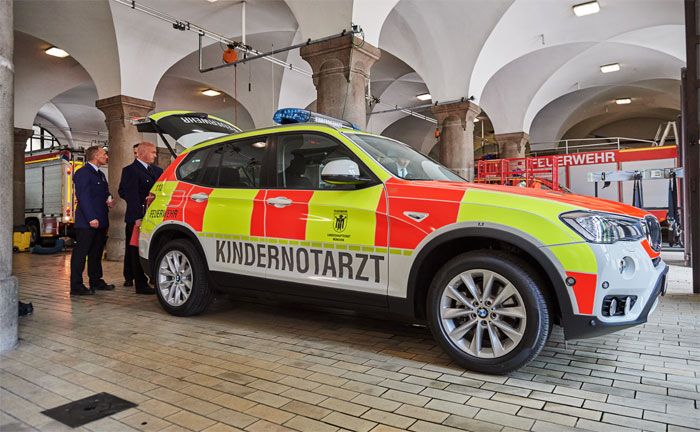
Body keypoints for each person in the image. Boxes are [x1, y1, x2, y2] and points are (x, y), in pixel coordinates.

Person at [118, 142, 163, 295]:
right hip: (138, 217)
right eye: (153, 152)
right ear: (142, 153)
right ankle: (140, 284)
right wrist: (138, 216)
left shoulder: (158, 171)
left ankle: (154, 279)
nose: (155, 155)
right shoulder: (130, 171)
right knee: (136, 251)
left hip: (155, 217)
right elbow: (130, 195)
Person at [70, 146, 115, 296]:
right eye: (104, 154)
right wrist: (91, 218)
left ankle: (96, 281)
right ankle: (76, 286)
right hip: (87, 222)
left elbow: (104, 191)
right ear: (95, 155)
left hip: (100, 220)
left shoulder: (100, 174)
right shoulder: (83, 173)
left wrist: (109, 197)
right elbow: (83, 197)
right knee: (81, 254)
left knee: (96, 253)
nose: (106, 157)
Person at [122, 143, 141, 287]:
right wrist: (134, 199)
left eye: (138, 152)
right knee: (131, 247)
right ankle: (129, 276)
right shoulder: (128, 170)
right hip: (133, 214)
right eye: (134, 153)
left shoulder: (157, 170)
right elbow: (121, 191)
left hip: (151, 214)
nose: (136, 155)